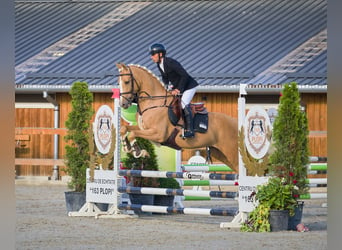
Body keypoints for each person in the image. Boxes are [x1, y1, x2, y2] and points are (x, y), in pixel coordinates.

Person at [149, 43, 199, 138]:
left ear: (160, 54)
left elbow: (184, 75)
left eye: (153, 54)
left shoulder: (171, 62)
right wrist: (167, 87)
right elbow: (165, 78)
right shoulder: (159, 65)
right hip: (178, 86)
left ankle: (190, 130)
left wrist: (178, 89)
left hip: (189, 86)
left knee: (183, 104)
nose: (151, 57)